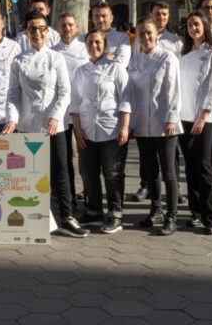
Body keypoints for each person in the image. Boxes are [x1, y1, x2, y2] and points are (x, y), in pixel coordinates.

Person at [5, 10, 86, 238]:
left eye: (41, 29)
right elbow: (12, 94)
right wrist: (12, 118)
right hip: (27, 126)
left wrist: (56, 116)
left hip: (54, 126)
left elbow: (64, 91)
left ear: (48, 31)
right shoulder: (19, 61)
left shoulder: (55, 58)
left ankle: (67, 216)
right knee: (30, 175)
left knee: (61, 173)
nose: (37, 33)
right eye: (32, 29)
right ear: (26, 32)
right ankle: (33, 219)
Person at [70, 29, 131, 234]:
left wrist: (124, 127)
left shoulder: (116, 68)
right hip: (87, 130)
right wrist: (77, 131)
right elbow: (75, 104)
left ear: (104, 45)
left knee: (112, 173)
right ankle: (94, 210)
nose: (94, 46)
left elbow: (126, 100)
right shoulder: (81, 72)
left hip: (111, 129)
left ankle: (116, 213)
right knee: (88, 173)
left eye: (97, 43)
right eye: (90, 43)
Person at [127, 16, 182, 236]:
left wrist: (172, 118)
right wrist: (130, 123)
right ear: (137, 37)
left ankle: (172, 216)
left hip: (163, 123)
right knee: (151, 172)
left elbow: (174, 90)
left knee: (169, 172)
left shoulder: (167, 58)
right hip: (142, 125)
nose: (146, 37)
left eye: (149, 32)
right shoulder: (134, 62)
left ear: (156, 34)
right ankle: (156, 210)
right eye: (142, 33)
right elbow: (130, 94)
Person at [178, 12, 212, 235]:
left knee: (204, 167)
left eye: (196, 24)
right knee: (191, 167)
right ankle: (195, 212)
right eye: (189, 24)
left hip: (203, 119)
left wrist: (203, 115)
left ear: (205, 26)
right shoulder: (183, 55)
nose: (193, 28)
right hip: (183, 118)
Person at [52, 13, 90, 208]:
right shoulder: (52, 52)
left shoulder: (86, 49)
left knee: (87, 159)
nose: (67, 28)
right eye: (63, 25)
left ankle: (89, 194)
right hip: (62, 114)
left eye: (70, 25)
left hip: (84, 113)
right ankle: (68, 196)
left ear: (76, 28)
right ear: (57, 29)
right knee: (64, 159)